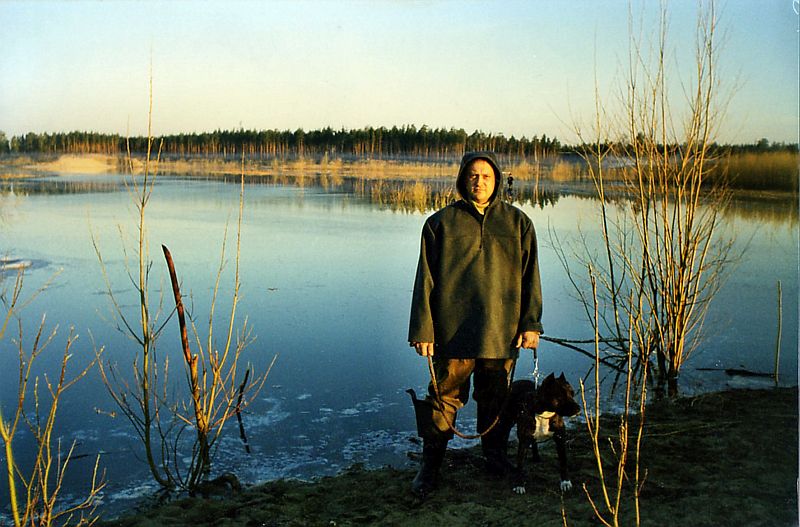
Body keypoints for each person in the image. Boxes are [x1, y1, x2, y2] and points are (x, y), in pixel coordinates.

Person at [408, 151, 543, 498]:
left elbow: (530, 278)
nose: (479, 181)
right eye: (473, 175)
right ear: (462, 179)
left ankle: (494, 457)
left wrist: (531, 324)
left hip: (501, 332)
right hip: (452, 333)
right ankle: (430, 466)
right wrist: (423, 329)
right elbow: (425, 280)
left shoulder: (518, 223)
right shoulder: (440, 224)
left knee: (495, 398)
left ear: (496, 180)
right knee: (443, 399)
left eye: (486, 176)